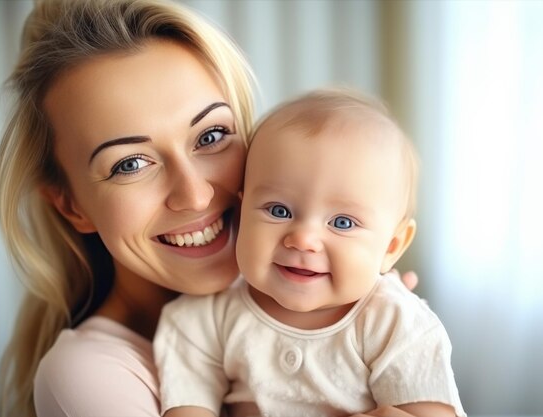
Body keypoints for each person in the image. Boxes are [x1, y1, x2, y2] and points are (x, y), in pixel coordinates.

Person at [0, 0, 419, 416]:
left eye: (211, 136)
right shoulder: (88, 378)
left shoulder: (358, 308)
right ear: (72, 206)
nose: (195, 195)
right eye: (130, 164)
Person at [154, 89, 465, 417]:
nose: (303, 239)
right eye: (278, 210)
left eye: (342, 222)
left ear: (391, 247)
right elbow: (188, 403)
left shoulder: (394, 322)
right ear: (242, 211)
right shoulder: (206, 317)